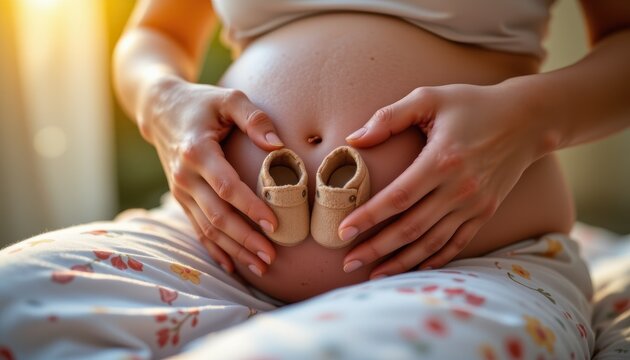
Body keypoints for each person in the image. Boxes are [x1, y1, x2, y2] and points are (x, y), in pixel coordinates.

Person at [0, 0, 628, 358]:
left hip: (475, 260)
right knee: (13, 302)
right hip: (209, 242)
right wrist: (162, 102)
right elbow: (154, 36)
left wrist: (531, 119)